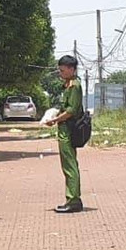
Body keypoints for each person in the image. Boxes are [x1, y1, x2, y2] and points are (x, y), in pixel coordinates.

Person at [44, 55, 84, 213]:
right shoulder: (66, 85)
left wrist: (55, 120)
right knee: (66, 164)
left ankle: (74, 200)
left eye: (63, 69)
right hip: (63, 129)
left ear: (72, 69)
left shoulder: (74, 86)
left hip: (69, 128)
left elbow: (71, 110)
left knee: (70, 165)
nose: (60, 72)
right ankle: (71, 198)